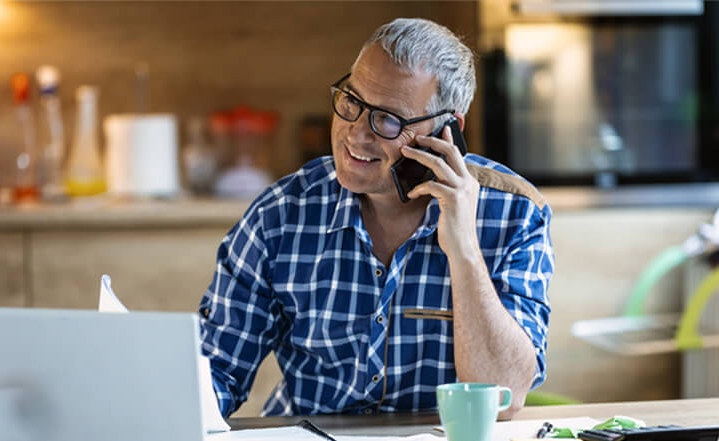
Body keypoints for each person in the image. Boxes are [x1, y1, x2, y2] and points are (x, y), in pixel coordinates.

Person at [198, 17, 553, 419]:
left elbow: (503, 399)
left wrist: (465, 251)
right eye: (352, 102)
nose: (355, 134)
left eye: (388, 120)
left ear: (447, 130)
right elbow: (217, 369)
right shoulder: (281, 215)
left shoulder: (515, 214)